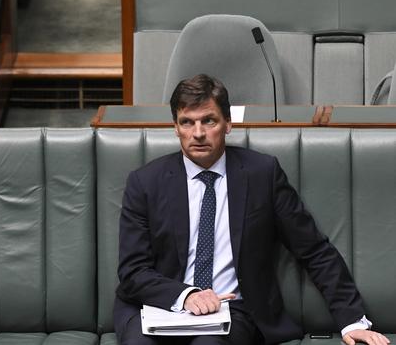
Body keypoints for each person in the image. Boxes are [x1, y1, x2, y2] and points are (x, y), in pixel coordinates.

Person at [114, 74, 390, 345]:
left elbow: (314, 250)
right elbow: (133, 271)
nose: (197, 133)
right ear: (176, 127)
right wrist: (186, 295)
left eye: (208, 120)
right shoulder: (145, 182)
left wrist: (352, 320)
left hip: (231, 310)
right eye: (187, 122)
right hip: (158, 307)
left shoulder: (262, 174)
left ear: (228, 124)